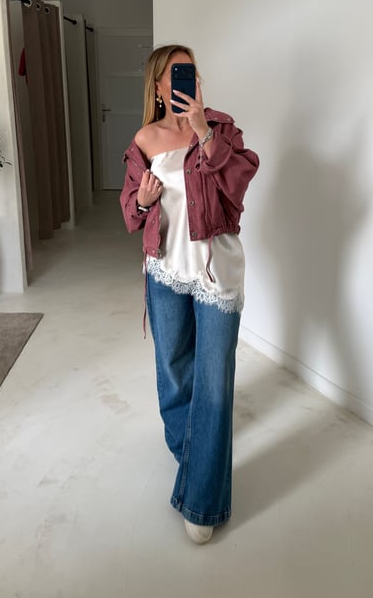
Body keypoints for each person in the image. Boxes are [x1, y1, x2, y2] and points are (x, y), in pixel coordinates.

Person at [120, 44, 259, 545]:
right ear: (158, 86)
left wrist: (203, 131)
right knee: (174, 369)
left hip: (216, 271)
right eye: (175, 73)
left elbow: (239, 184)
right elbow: (130, 212)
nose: (186, 79)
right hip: (165, 268)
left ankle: (202, 501)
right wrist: (142, 201)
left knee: (214, 381)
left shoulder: (220, 128)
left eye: (191, 71)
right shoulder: (145, 139)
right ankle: (193, 453)